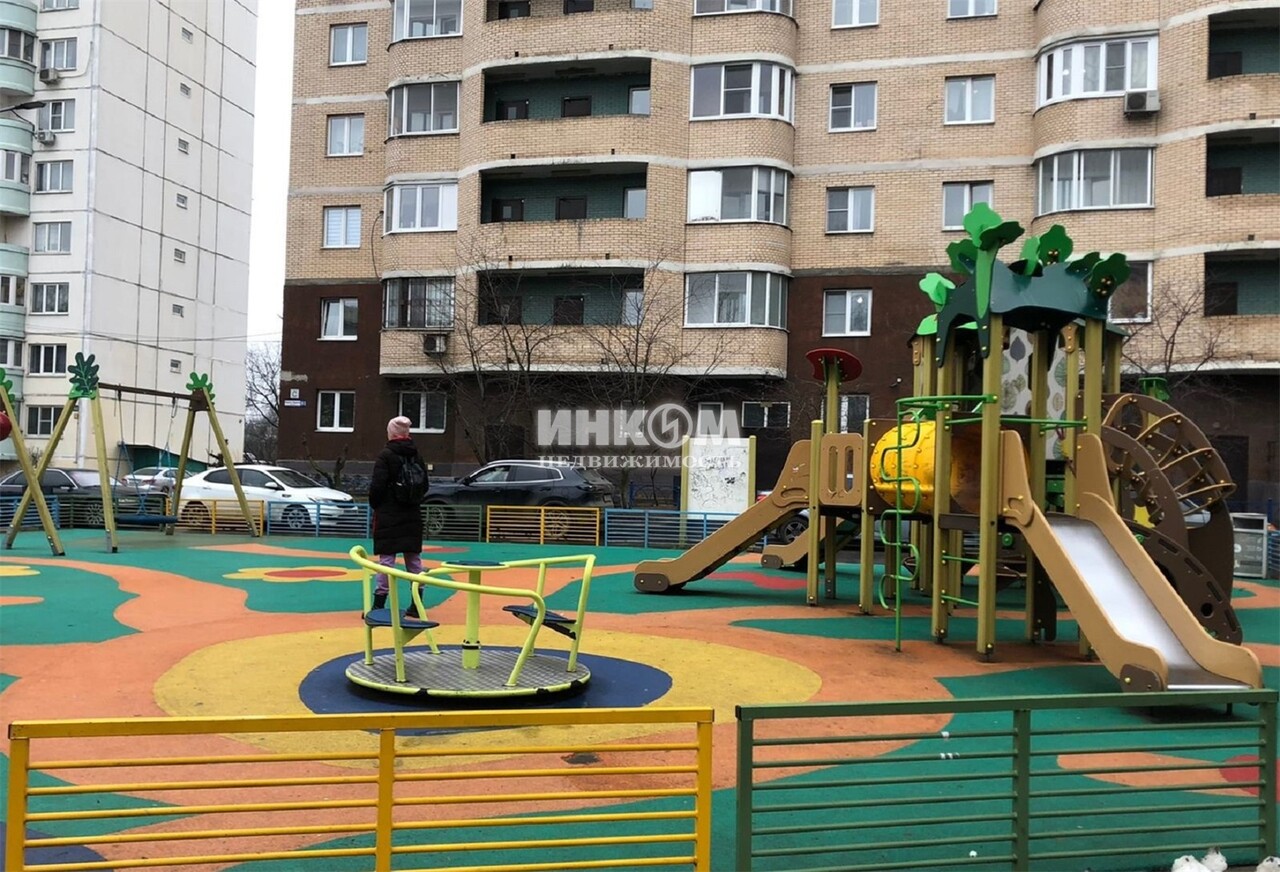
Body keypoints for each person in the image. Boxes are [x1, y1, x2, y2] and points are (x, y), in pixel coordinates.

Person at [368, 416, 426, 617]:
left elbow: (377, 486)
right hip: (412, 513)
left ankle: (379, 604)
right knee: (414, 559)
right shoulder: (416, 455)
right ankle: (417, 604)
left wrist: (377, 505)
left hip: (389, 514)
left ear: (390, 433)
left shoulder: (386, 455)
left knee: (387, 560)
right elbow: (425, 485)